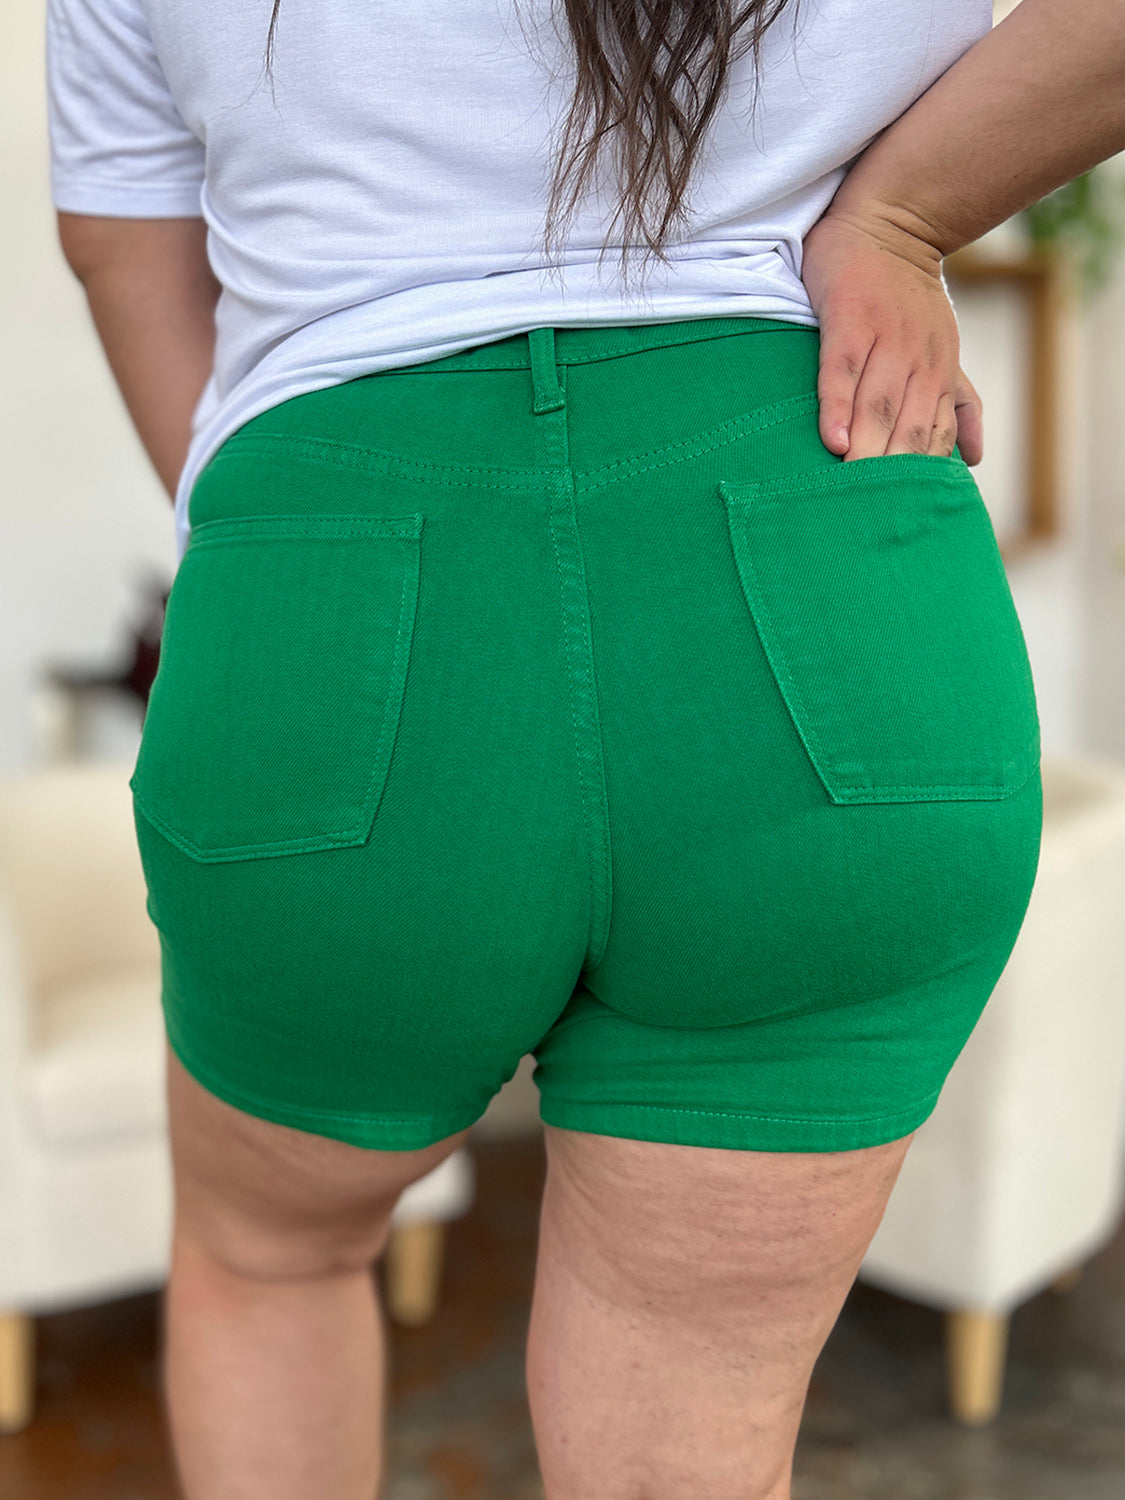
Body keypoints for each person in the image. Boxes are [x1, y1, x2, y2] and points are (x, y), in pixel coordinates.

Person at [43, 1, 1123, 1496]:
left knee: (272, 1259)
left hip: (333, 583)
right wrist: (899, 213)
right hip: (824, 552)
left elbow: (119, 242)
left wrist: (274, 568)